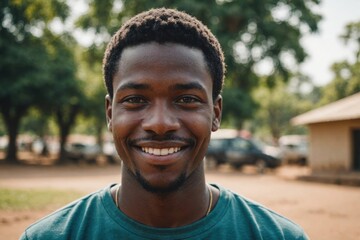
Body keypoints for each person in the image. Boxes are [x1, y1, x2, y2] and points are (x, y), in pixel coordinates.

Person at [21, 8, 308, 240]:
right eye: (135, 99)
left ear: (216, 113)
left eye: (186, 99)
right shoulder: (49, 237)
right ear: (110, 113)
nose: (160, 124)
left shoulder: (278, 236)